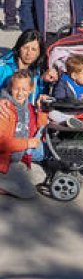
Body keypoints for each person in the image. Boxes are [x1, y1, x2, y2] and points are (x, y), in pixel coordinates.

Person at [0, 70, 48, 199]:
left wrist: (42, 110)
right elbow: (1, 142)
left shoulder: (28, 108)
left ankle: (12, 178)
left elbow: (39, 129)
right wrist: (27, 143)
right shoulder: (5, 110)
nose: (20, 93)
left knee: (41, 176)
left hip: (18, 158)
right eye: (16, 89)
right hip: (4, 160)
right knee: (29, 192)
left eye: (24, 89)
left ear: (31, 89)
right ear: (10, 88)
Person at [0, 30, 53, 100]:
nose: (28, 53)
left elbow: (35, 98)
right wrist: (19, 75)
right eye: (25, 48)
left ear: (39, 52)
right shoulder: (4, 68)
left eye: (33, 49)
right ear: (19, 48)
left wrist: (42, 81)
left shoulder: (38, 69)